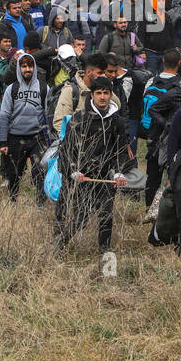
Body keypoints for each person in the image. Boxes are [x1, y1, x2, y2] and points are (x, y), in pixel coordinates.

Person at [54, 76, 133, 254]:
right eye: (99, 93)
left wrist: (119, 172)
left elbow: (120, 149)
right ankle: (60, 246)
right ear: (92, 96)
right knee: (80, 218)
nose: (103, 97)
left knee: (106, 215)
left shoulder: (116, 121)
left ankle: (104, 253)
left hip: (104, 176)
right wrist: (73, 170)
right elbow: (67, 148)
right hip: (81, 176)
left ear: (111, 94)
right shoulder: (79, 118)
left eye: (106, 93)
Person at [0, 52, 47, 202]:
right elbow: (4, 115)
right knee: (14, 173)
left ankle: (40, 202)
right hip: (15, 138)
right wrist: (3, 141)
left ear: (34, 68)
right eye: (24, 66)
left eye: (30, 66)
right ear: (19, 68)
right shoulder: (11, 89)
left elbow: (49, 113)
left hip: (37, 138)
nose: (27, 69)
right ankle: (13, 200)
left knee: (39, 171)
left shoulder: (44, 88)